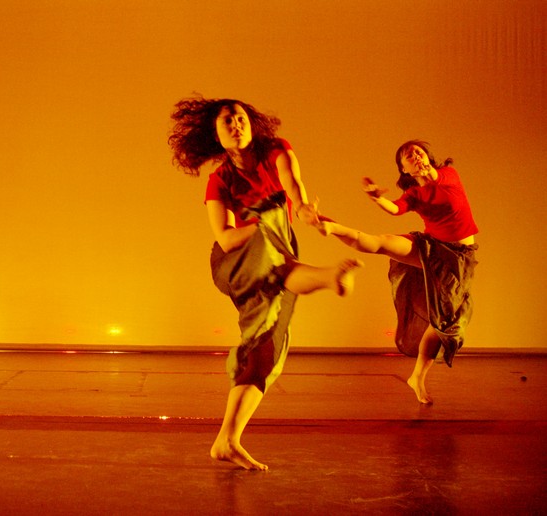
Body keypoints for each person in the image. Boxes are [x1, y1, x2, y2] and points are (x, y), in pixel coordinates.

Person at [169, 96, 362, 470]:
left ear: (252, 123)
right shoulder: (219, 180)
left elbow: (293, 185)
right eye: (227, 121)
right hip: (237, 263)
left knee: (265, 352)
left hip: (277, 254)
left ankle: (227, 440)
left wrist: (303, 209)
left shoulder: (276, 150)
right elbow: (226, 238)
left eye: (241, 118)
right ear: (215, 134)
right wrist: (263, 224)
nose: (236, 125)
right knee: (277, 251)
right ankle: (328, 277)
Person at [318, 140, 478, 404]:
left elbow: (435, 179)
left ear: (428, 157)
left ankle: (417, 377)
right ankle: (331, 227)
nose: (415, 155)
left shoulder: (449, 174)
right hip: (432, 247)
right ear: (404, 169)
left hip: (457, 259)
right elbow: (395, 208)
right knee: (381, 242)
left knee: (443, 324)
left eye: (419, 152)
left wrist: (427, 172)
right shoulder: (414, 194)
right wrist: (377, 198)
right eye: (408, 156)